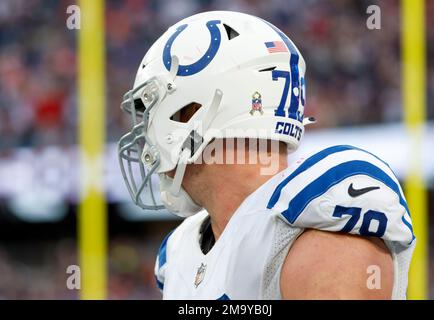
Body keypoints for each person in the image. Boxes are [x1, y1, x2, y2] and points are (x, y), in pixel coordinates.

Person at [117, 11, 415, 299]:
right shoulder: (179, 254)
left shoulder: (315, 220)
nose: (144, 135)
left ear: (196, 112)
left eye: (149, 111)